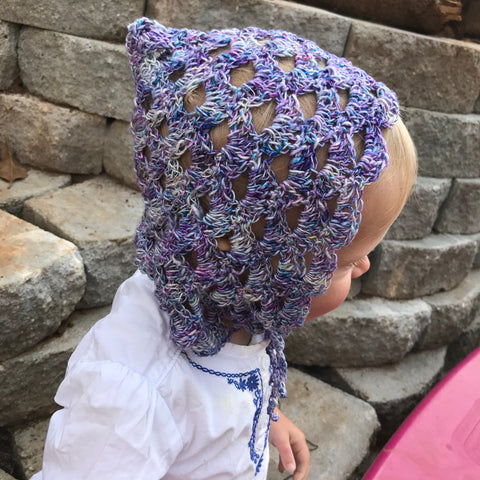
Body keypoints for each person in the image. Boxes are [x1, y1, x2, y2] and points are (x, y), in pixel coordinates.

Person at [32, 17, 417, 480]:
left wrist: (264, 418)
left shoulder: (235, 307)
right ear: (260, 267)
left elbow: (218, 400)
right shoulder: (136, 396)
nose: (365, 266)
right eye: (347, 260)